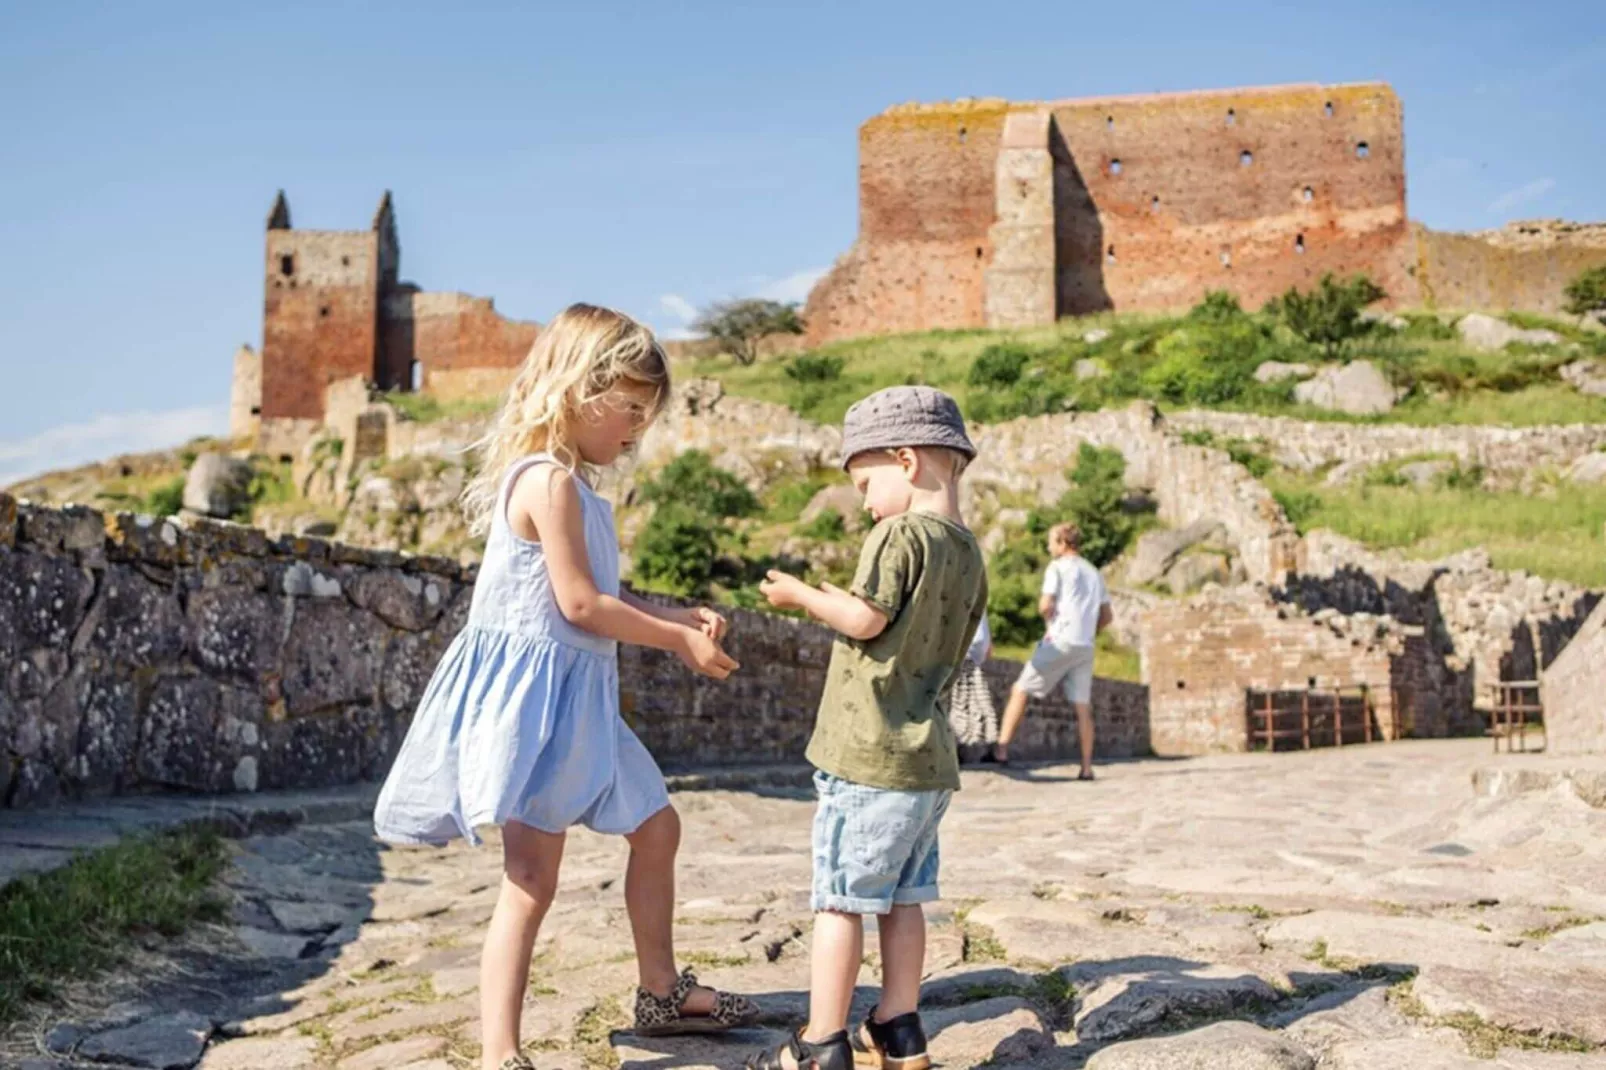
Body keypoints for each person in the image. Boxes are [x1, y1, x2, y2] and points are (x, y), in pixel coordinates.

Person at [372, 305, 758, 1070]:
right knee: (530, 880)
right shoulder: (545, 483)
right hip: (536, 713)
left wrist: (672, 612)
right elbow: (579, 606)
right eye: (632, 410)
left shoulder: (578, 491)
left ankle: (660, 992)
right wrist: (677, 639)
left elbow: (593, 598)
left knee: (657, 827)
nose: (638, 431)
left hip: (582, 702)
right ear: (582, 392)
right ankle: (499, 1052)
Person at [753, 386, 988, 1070]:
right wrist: (842, 601)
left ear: (907, 460)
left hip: (869, 755)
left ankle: (821, 1040)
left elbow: (867, 620)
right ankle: (897, 1025)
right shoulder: (967, 551)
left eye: (864, 482)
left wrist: (800, 596)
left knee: (840, 901)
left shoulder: (897, 534)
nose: (863, 501)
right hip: (926, 761)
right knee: (905, 897)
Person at [988, 522, 1111, 779]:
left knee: (1020, 688)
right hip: (1085, 645)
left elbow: (1045, 604)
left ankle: (1001, 750)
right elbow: (1107, 616)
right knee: (1082, 707)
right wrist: (1088, 629)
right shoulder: (1094, 572)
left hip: (1059, 640)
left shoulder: (1057, 567)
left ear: (1063, 543)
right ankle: (1086, 767)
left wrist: (1049, 620)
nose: (1047, 546)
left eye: (1051, 541)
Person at [948, 614, 998, 763]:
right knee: (971, 706)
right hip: (969, 652)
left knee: (958, 705)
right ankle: (960, 748)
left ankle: (955, 749)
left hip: (962, 651)